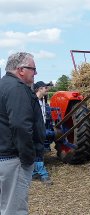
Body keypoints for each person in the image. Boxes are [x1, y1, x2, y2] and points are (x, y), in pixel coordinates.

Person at [0, 52, 45, 214]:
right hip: (14, 159)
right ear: (21, 70)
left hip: (5, 156)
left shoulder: (3, 85)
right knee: (14, 209)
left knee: (5, 205)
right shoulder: (17, 89)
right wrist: (27, 157)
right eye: (33, 69)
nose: (36, 73)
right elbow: (20, 126)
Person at [32, 81, 54, 185]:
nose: (47, 89)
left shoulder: (41, 102)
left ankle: (34, 172)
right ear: (39, 89)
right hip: (34, 129)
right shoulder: (32, 101)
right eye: (45, 87)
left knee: (37, 150)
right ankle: (42, 174)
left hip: (41, 128)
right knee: (38, 150)